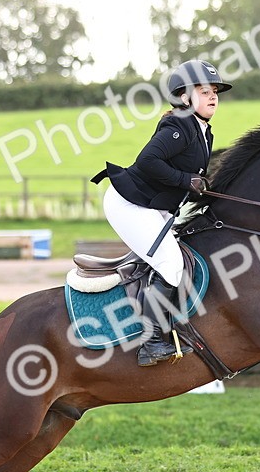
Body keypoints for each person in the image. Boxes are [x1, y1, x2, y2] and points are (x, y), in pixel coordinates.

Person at [90, 59, 231, 366]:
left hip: (152, 206)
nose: (213, 96)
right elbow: (148, 161)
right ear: (184, 97)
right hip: (129, 203)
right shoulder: (179, 124)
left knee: (180, 257)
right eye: (204, 91)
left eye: (215, 91)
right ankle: (150, 342)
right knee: (170, 263)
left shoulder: (203, 131)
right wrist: (186, 180)